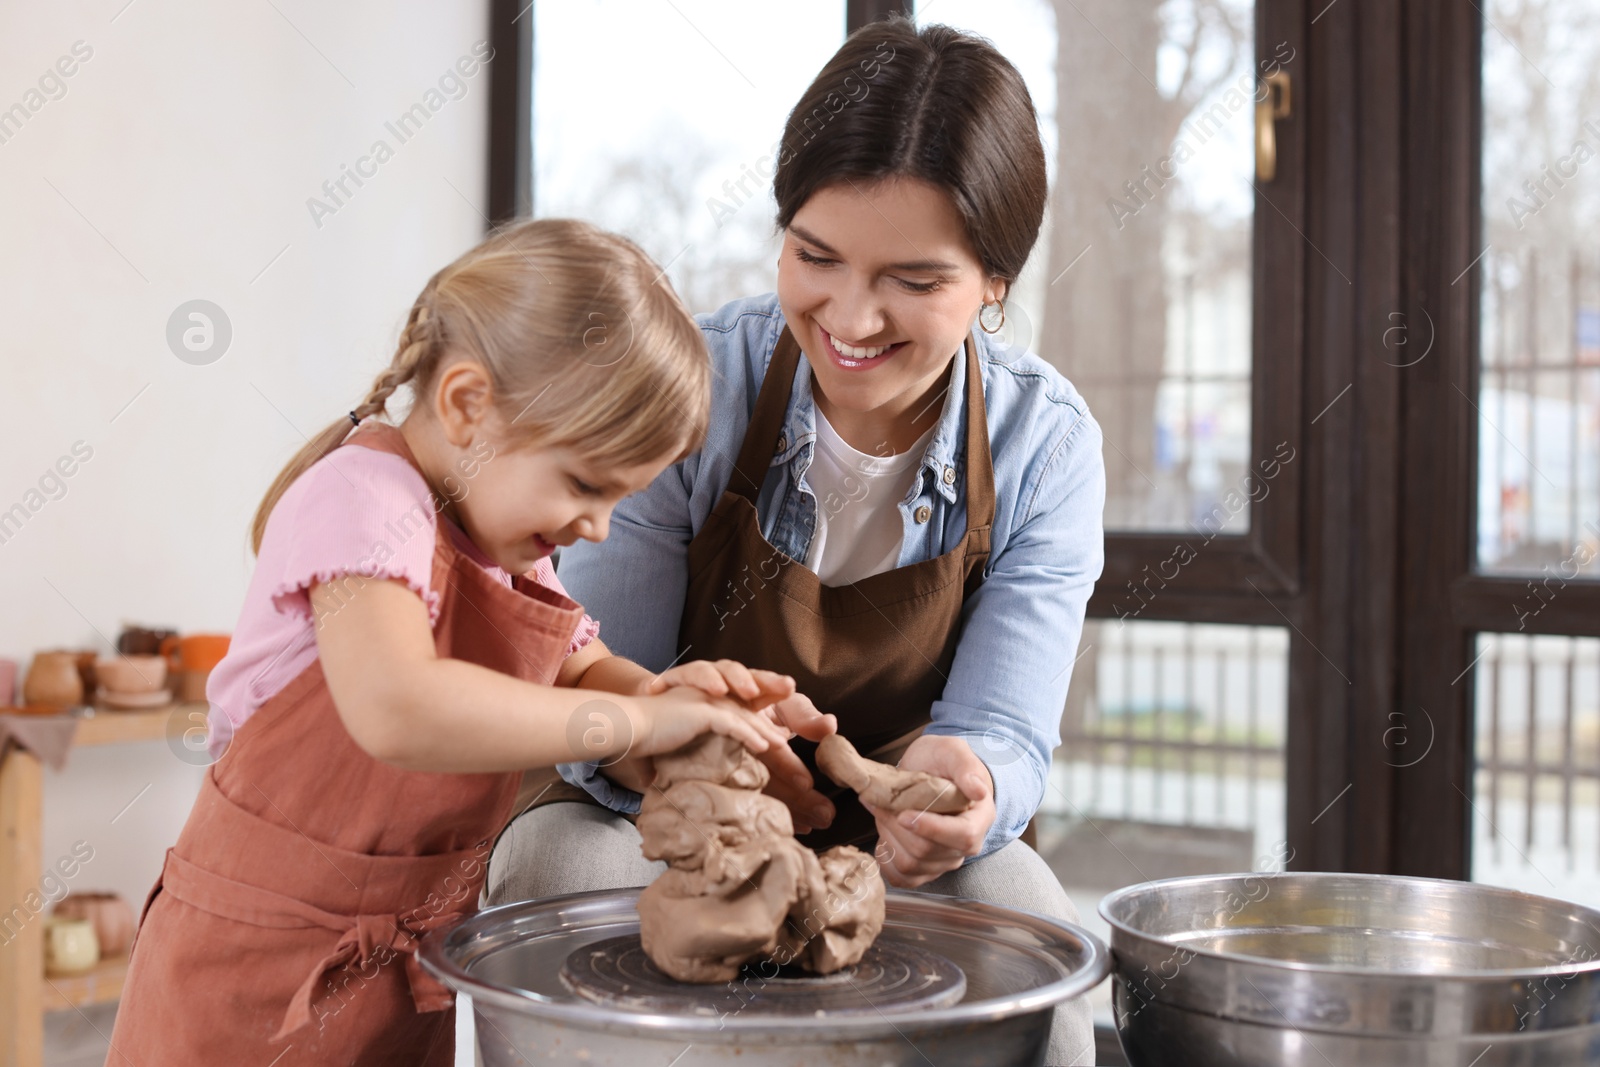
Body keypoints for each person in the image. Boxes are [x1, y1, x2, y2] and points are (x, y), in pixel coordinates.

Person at [489, 20, 1106, 1066]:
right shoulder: (695, 390)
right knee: (556, 862)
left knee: (1026, 915)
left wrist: (971, 783)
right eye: (815, 256)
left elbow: (1004, 725)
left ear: (995, 279)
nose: (851, 316)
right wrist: (696, 752)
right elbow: (589, 680)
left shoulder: (1045, 444)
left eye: (913, 280)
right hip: (660, 810)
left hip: (887, 849)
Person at [108, 219, 795, 1066]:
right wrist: (635, 727)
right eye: (585, 484)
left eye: (622, 498)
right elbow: (400, 706)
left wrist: (674, 704)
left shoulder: (508, 552)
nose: (597, 526)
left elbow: (578, 667)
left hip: (396, 982)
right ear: (469, 404)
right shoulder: (365, 498)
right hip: (250, 980)